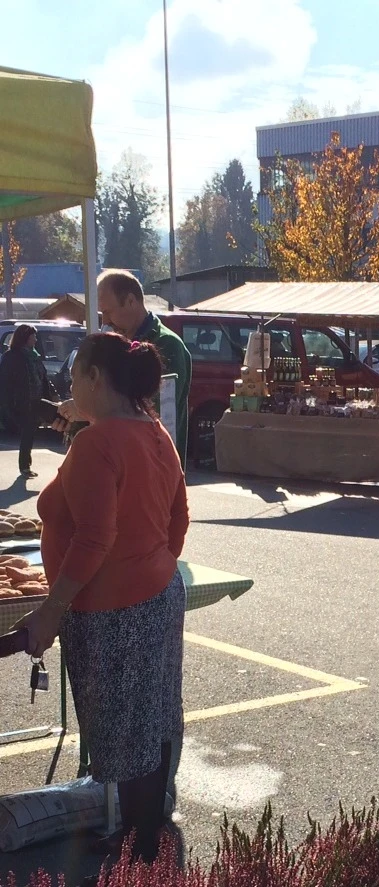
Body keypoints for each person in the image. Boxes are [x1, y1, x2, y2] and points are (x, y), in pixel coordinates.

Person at [15, 333, 188, 866]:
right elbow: (178, 519)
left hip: (114, 608)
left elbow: (94, 537)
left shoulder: (97, 443)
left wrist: (51, 609)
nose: (68, 388)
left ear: (94, 377)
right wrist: (151, 566)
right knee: (154, 723)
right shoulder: (153, 432)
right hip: (158, 596)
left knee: (127, 730)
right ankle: (145, 840)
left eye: (73, 377)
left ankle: (139, 852)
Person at [55, 269, 192, 459]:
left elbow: (152, 412)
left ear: (130, 301)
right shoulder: (117, 346)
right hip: (120, 462)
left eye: (108, 312)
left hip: (154, 466)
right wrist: (73, 419)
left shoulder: (167, 345)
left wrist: (84, 411)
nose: (106, 321)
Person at [0, 324, 50, 477]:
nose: (35, 339)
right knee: (27, 432)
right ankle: (25, 466)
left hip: (36, 399)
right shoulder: (12, 356)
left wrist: (51, 394)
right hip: (21, 401)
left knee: (31, 432)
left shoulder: (34, 355)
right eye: (33, 336)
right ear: (25, 337)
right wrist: (7, 403)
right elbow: (5, 382)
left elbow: (43, 377)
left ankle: (25, 465)